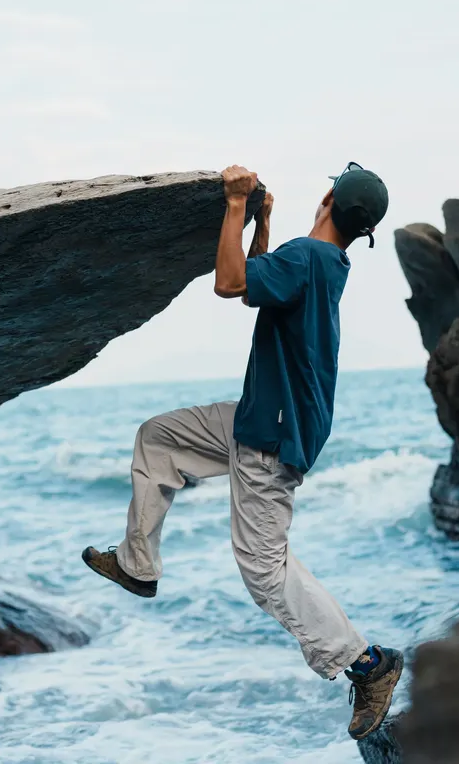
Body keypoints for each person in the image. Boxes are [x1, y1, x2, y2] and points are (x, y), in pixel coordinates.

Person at [82, 162, 402, 741]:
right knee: (159, 437)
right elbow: (257, 279)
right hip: (262, 416)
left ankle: (367, 664)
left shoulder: (308, 258)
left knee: (264, 571)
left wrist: (235, 205)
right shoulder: (326, 261)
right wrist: (264, 220)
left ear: (328, 198)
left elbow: (230, 284)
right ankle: (137, 565)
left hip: (269, 434)